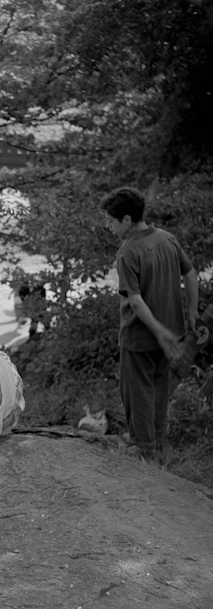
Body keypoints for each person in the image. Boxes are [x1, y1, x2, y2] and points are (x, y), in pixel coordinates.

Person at [102, 186, 199, 458]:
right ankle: (154, 440)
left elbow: (134, 300)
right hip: (173, 329)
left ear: (126, 220)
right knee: (159, 387)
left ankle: (143, 445)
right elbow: (191, 274)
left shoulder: (128, 252)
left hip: (141, 335)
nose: (108, 226)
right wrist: (191, 313)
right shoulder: (167, 238)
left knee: (137, 389)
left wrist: (159, 332)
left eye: (111, 221)